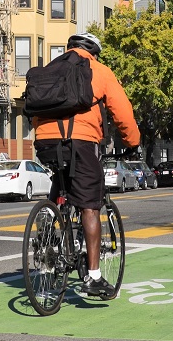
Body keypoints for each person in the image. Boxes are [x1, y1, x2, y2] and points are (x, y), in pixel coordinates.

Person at [32, 32, 140, 298]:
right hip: (81, 142)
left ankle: (50, 217)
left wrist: (44, 135)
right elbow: (122, 111)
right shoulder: (98, 70)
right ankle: (93, 277)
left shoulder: (49, 70)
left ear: (69, 48)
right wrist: (132, 142)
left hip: (45, 143)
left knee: (62, 179)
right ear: (93, 52)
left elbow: (35, 107)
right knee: (90, 207)